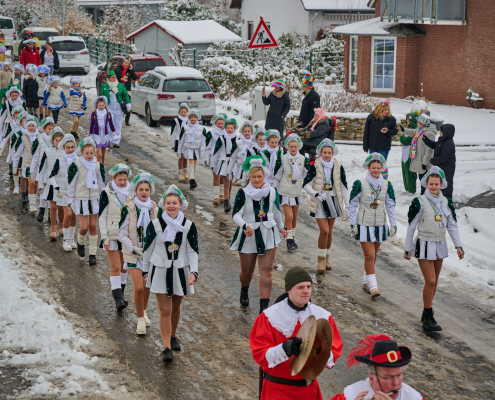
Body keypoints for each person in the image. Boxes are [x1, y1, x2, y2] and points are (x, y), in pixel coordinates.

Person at [250, 266, 343, 400]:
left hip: (308, 391)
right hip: (277, 391)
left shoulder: (323, 316)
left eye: (308, 287)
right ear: (289, 290)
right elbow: (260, 354)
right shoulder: (269, 317)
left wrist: (320, 352)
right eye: (300, 287)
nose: (306, 291)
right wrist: (284, 349)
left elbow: (335, 350)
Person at [143, 185, 199, 362]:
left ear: (181, 205)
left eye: (175, 203)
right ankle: (166, 347)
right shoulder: (155, 224)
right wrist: (145, 271)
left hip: (180, 271)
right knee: (164, 310)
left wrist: (194, 272)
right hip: (160, 270)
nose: (171, 206)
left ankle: (173, 336)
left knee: (175, 307)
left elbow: (192, 251)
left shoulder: (188, 225)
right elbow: (147, 250)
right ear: (163, 204)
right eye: (168, 203)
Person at [404, 166, 463, 331]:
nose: (434, 187)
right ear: (426, 183)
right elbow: (411, 227)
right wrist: (408, 248)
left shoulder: (446, 202)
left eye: (437, 184)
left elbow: (452, 225)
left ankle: (426, 313)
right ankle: (428, 316)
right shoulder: (420, 201)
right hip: (423, 244)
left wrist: (458, 245)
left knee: (434, 282)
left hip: (439, 244)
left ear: (441, 184)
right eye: (431, 184)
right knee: (430, 280)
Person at [231, 155, 287, 313]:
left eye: (259, 176)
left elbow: (276, 212)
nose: (257, 180)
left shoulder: (272, 192)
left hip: (268, 233)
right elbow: (236, 214)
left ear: (264, 176)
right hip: (249, 234)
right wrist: (245, 225)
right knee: (247, 272)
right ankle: (244, 289)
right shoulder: (243, 193)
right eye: (253, 177)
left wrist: (281, 227)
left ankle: (264, 308)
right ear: (249, 177)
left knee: (267, 270)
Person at [348, 153, 397, 298]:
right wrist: (353, 223)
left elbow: (390, 206)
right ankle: (374, 286)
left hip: (380, 225)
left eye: (378, 168)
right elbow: (352, 205)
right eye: (373, 167)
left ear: (382, 168)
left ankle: (366, 282)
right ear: (368, 168)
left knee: (373, 256)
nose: (376, 170)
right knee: (369, 255)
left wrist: (393, 223)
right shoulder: (360, 183)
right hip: (364, 225)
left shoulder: (387, 185)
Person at [118, 173, 158, 335]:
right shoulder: (128, 208)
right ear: (135, 190)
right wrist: (133, 248)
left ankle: (144, 310)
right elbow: (121, 234)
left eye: (146, 190)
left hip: (149, 254)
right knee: (139, 287)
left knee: (147, 286)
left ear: (150, 191)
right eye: (141, 189)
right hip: (133, 253)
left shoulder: (154, 208)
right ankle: (140, 319)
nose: (144, 192)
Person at [332, 334, 427, 400]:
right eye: (388, 377)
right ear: (372, 378)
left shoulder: (412, 397)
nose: (396, 383)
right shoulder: (349, 395)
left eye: (399, 375)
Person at [303, 139, 349, 272]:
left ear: (333, 153)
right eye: (325, 152)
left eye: (329, 152)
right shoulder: (315, 166)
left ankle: (327, 258)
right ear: (320, 153)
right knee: (324, 231)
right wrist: (315, 194)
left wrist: (348, 205)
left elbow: (343, 186)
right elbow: (305, 184)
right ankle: (321, 261)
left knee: (329, 231)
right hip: (320, 201)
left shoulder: (338, 167)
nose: (327, 155)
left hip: (333, 200)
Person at [98, 164, 134, 311]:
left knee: (125, 267)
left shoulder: (132, 193)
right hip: (111, 235)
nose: (123, 182)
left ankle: (122, 294)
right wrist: (104, 236)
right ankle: (118, 298)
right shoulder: (106, 193)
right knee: (116, 266)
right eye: (120, 180)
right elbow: (102, 216)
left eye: (125, 179)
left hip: (127, 236)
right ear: (114, 178)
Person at [67, 137, 106, 265]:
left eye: (91, 153)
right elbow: (72, 184)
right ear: (82, 153)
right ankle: (81, 242)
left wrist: (104, 198)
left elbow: (101, 183)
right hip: (81, 199)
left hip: (94, 199)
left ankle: (92, 254)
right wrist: (70, 200)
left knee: (93, 226)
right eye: (87, 153)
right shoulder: (76, 165)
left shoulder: (97, 165)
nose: (89, 156)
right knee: (84, 227)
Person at [276, 134, 309, 251]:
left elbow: (305, 174)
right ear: (287, 147)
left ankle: (292, 237)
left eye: (295, 146)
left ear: (298, 147)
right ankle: (288, 240)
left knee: (294, 217)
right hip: (285, 191)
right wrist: (274, 189)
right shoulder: (283, 158)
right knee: (288, 216)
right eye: (291, 147)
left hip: (297, 192)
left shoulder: (303, 159)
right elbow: (278, 175)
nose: (293, 149)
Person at [49, 134, 78, 250]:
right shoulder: (59, 160)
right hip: (63, 191)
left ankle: (71, 238)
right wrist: (56, 188)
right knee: (68, 214)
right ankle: (65, 240)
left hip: (76, 192)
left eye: (72, 147)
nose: (70, 149)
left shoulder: (79, 160)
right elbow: (51, 176)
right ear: (63, 148)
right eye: (68, 147)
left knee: (74, 215)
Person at [38, 127, 65, 239]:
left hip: (63, 184)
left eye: (60, 140)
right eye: (56, 140)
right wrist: (41, 185)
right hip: (51, 183)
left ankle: (61, 226)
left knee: (61, 207)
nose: (58, 143)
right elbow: (42, 169)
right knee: (53, 206)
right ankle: (53, 229)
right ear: (52, 141)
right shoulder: (47, 152)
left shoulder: (65, 153)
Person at [399, 114, 436, 194]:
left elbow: (429, 150)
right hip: (420, 160)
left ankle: (426, 196)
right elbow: (412, 132)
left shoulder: (429, 133)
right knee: (422, 180)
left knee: (425, 181)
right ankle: (423, 196)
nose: (417, 123)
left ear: (422, 124)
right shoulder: (421, 130)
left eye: (418, 122)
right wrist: (404, 130)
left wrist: (425, 162)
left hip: (424, 162)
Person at [363, 100, 398, 180]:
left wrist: (388, 131)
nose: (386, 111)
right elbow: (366, 132)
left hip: (384, 146)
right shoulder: (371, 117)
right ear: (380, 109)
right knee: (372, 164)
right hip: (373, 145)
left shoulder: (391, 119)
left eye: (388, 109)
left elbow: (395, 131)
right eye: (385, 109)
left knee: (382, 164)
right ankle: (372, 180)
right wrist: (365, 146)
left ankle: (384, 181)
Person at [211, 117, 238, 212]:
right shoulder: (222, 138)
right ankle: (226, 201)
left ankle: (228, 198)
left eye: (231, 128)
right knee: (226, 181)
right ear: (225, 128)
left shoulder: (237, 139)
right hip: (224, 162)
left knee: (230, 181)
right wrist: (213, 164)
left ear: (234, 129)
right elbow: (216, 152)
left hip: (233, 162)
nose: (229, 130)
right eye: (228, 128)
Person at [422, 124, 456, 199]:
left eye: (441, 131)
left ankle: (447, 200)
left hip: (447, 168)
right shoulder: (442, 140)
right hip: (442, 167)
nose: (439, 132)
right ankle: (440, 199)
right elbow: (435, 145)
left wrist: (433, 160)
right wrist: (426, 139)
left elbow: (444, 158)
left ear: (446, 132)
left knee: (446, 185)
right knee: (441, 184)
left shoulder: (448, 143)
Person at [31, 117, 55, 223]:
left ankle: (51, 212)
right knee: (44, 189)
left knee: (52, 190)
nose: (51, 131)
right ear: (44, 129)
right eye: (49, 129)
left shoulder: (56, 140)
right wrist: (32, 170)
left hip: (53, 168)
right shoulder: (39, 140)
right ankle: (42, 209)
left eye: (52, 128)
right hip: (43, 168)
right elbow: (36, 156)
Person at [177, 109, 207, 190]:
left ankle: (192, 177)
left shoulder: (201, 128)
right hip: (188, 148)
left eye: (194, 120)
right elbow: (181, 140)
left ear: (197, 119)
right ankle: (192, 179)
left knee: (194, 163)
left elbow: (203, 139)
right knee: (191, 161)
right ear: (189, 119)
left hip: (197, 148)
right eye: (191, 120)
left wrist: (204, 147)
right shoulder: (185, 128)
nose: (193, 122)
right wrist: (179, 151)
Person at [99, 70, 131, 148]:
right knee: (109, 125)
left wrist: (128, 104)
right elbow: (101, 96)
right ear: (108, 78)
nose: (114, 78)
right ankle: (108, 140)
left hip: (119, 108)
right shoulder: (104, 86)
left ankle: (116, 141)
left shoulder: (121, 85)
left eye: (115, 77)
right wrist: (100, 106)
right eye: (112, 77)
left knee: (118, 125)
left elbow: (125, 95)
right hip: (109, 108)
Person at [205, 113, 227, 205]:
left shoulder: (227, 133)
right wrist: (207, 158)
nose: (221, 125)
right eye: (219, 123)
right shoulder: (211, 133)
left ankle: (221, 194)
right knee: (216, 176)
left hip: (223, 158)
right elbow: (208, 147)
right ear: (215, 123)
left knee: (222, 176)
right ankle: (215, 196)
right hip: (214, 157)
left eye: (222, 123)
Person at [89, 96, 116, 165]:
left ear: (105, 105)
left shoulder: (108, 114)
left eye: (103, 105)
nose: (101, 107)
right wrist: (90, 134)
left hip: (105, 136)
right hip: (97, 136)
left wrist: (114, 133)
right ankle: (98, 168)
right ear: (97, 105)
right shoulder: (94, 114)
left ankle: (102, 168)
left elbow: (111, 124)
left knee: (103, 155)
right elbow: (92, 125)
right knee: (99, 155)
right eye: (100, 105)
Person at [227, 121, 256, 187]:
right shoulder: (238, 143)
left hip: (251, 169)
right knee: (242, 188)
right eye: (245, 131)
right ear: (242, 132)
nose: (247, 133)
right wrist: (229, 170)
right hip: (240, 169)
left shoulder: (254, 144)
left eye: (248, 131)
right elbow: (233, 158)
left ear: (251, 132)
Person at [114, 56, 138, 126]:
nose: (127, 64)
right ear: (123, 62)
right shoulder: (118, 69)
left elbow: (135, 78)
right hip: (119, 89)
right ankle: (118, 119)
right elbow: (114, 77)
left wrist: (131, 70)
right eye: (126, 63)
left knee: (128, 104)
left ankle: (127, 120)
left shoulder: (129, 70)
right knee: (119, 104)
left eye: (128, 63)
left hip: (127, 90)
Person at [11, 111, 30, 198]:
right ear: (20, 123)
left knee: (28, 176)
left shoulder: (34, 133)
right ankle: (21, 190)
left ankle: (27, 192)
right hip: (21, 157)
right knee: (21, 174)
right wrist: (14, 161)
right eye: (24, 121)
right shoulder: (18, 134)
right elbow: (14, 148)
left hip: (30, 158)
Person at [399, 112, 419, 194]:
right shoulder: (407, 130)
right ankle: (407, 188)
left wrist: (403, 139)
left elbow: (405, 140)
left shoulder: (416, 130)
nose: (407, 121)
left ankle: (411, 190)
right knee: (405, 171)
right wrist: (403, 139)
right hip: (405, 153)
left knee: (410, 172)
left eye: (408, 119)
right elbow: (402, 139)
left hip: (411, 154)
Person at [171, 104, 189, 182]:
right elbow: (173, 132)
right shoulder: (176, 120)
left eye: (185, 112)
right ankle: (180, 173)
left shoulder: (189, 120)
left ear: (187, 112)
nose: (183, 113)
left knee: (185, 157)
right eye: (182, 112)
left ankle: (185, 172)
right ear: (179, 112)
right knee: (181, 157)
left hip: (187, 141)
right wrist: (173, 144)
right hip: (178, 140)